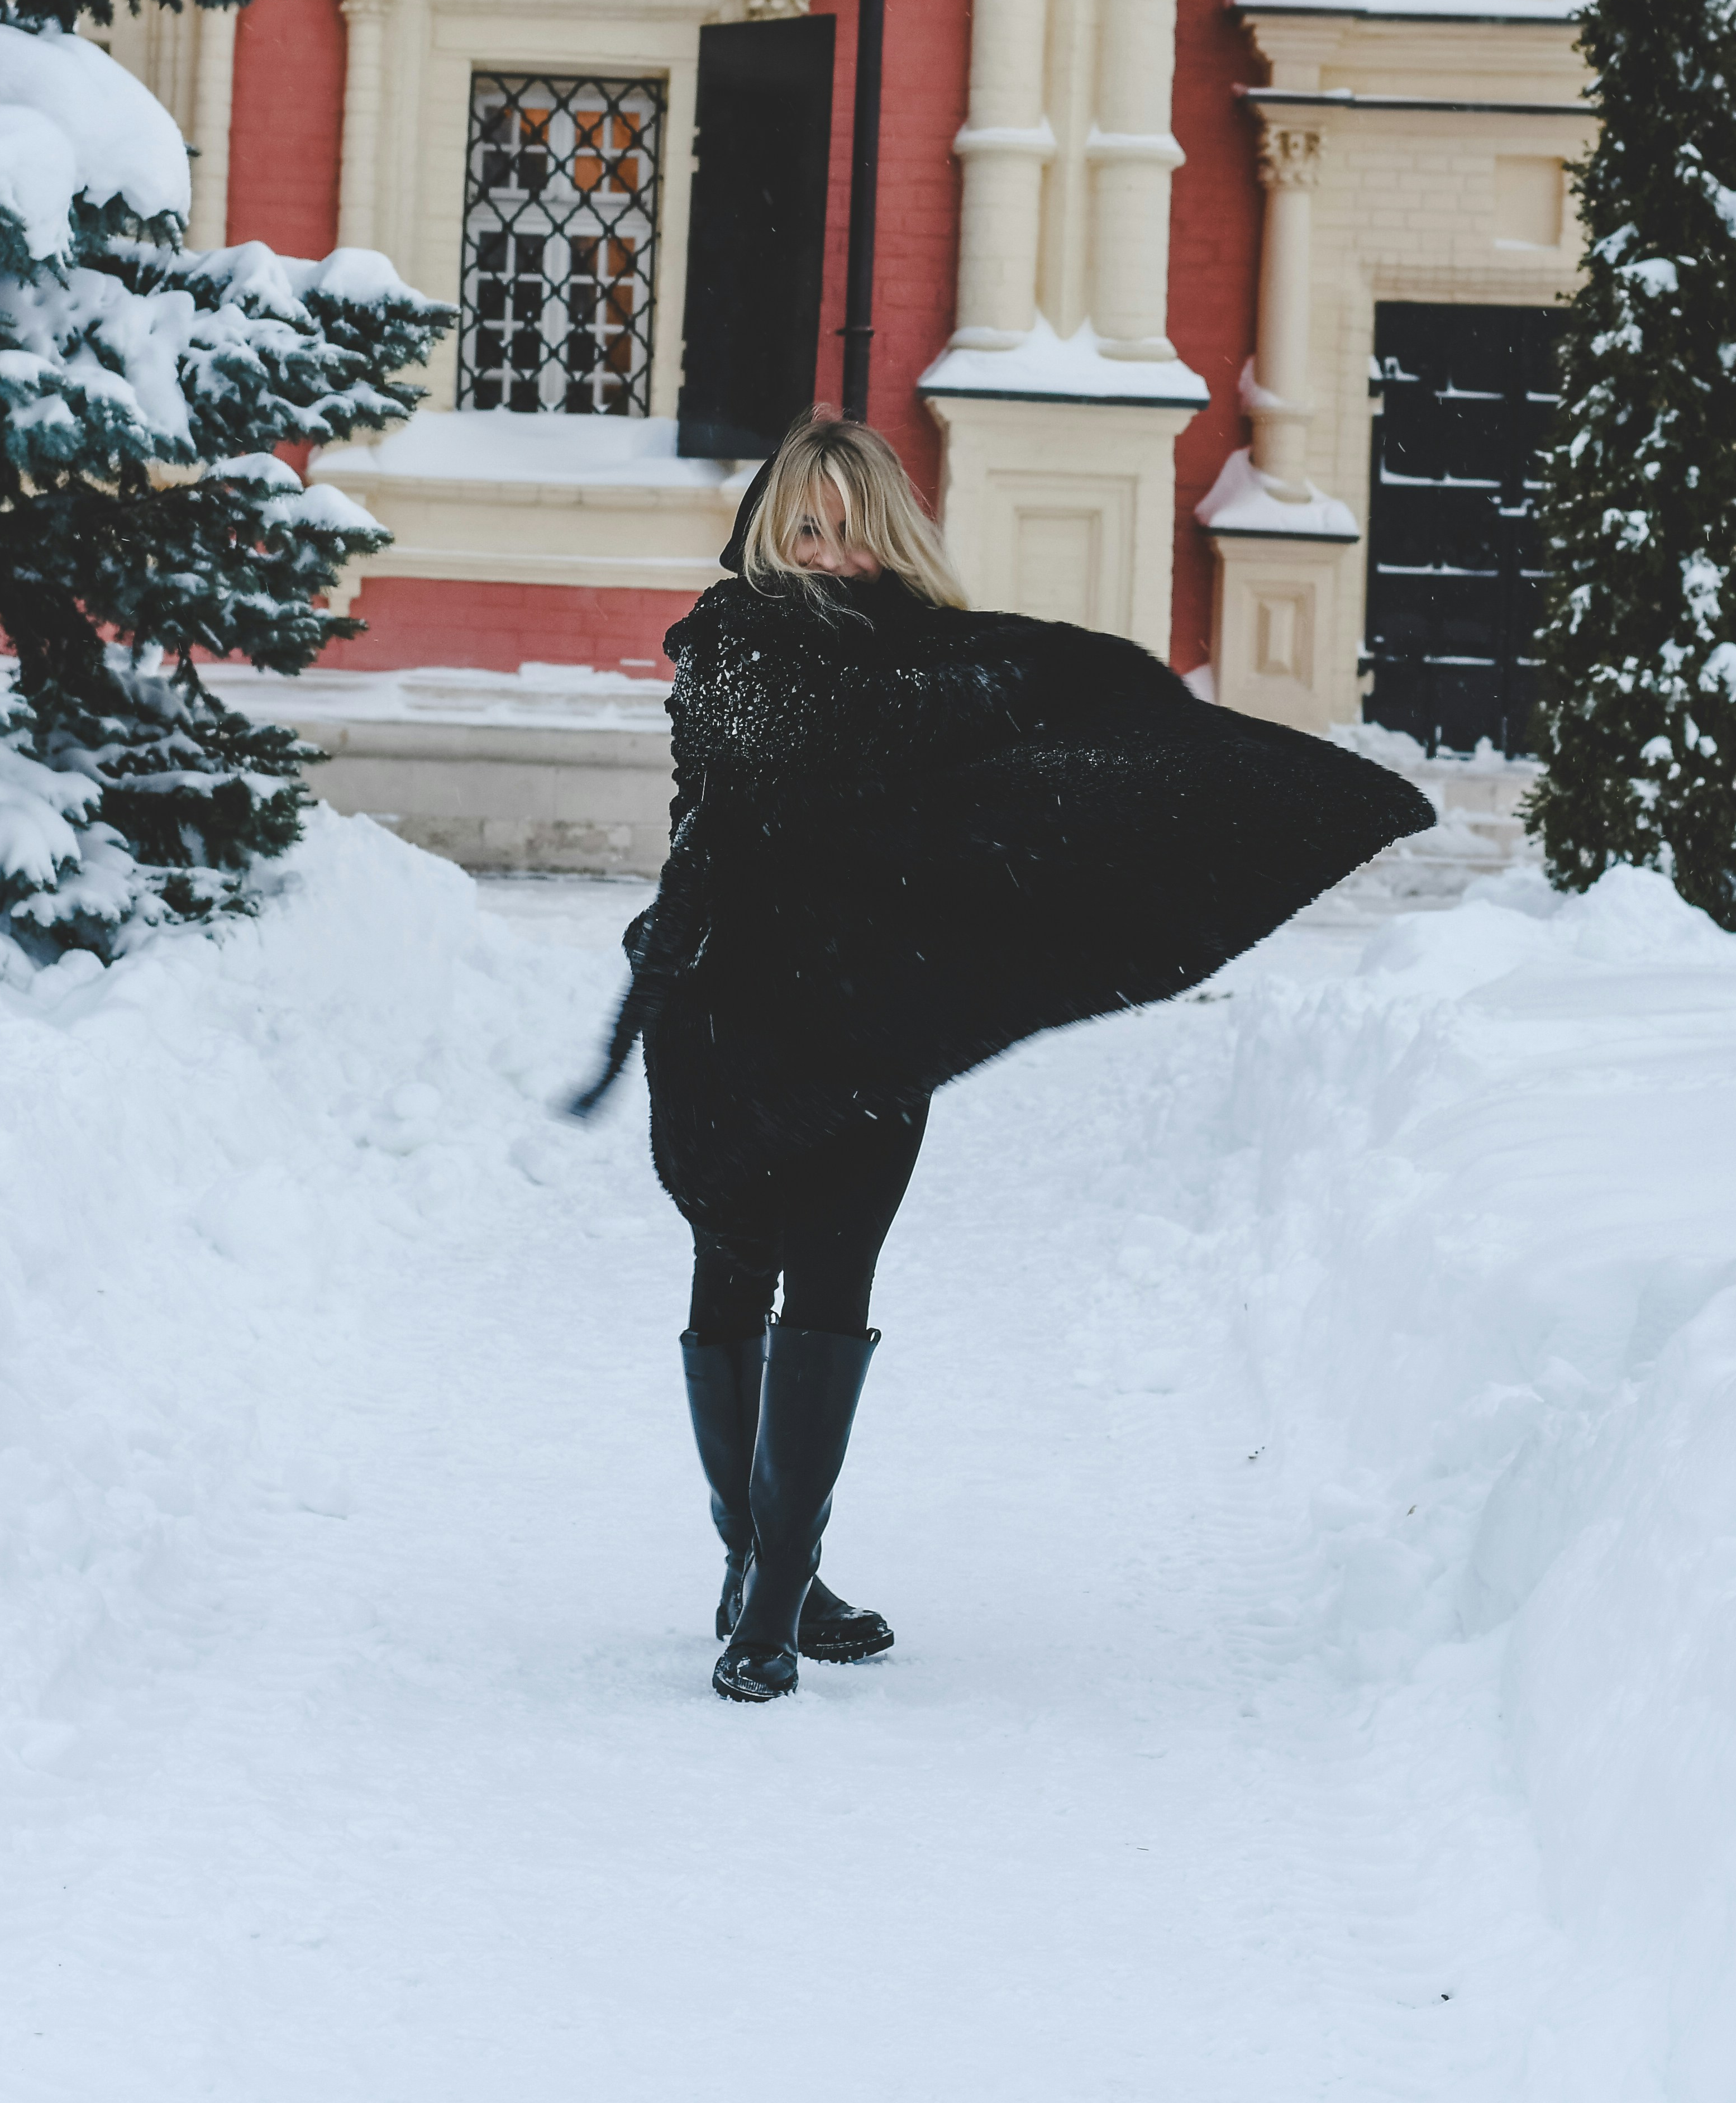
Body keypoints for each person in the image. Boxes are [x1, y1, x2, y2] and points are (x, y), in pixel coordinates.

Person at [578, 410, 1432, 1704]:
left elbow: (1046, 746)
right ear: (766, 533)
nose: (825, 555)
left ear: (892, 541)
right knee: (730, 1273)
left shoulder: (947, 671)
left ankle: (775, 1587)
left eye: (851, 534)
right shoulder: (732, 651)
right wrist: (963, 717)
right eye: (802, 528)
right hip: (736, 1012)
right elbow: (807, 752)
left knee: (830, 1279)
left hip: (870, 1023)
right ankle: (757, 1575)